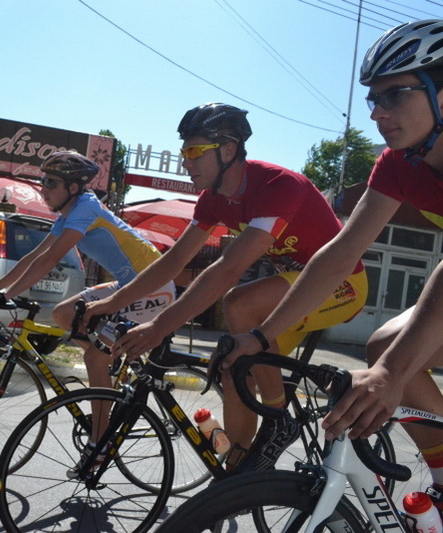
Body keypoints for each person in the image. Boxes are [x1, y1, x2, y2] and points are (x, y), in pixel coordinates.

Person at [223, 19, 443, 502]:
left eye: (394, 95)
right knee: (385, 344)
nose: (377, 113)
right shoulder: (398, 164)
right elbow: (340, 254)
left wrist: (392, 375)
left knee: (393, 359)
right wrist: (263, 335)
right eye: (373, 99)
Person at [83, 103, 367, 472]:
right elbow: (172, 262)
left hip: (342, 286)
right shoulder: (214, 199)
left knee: (239, 303)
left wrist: (159, 326)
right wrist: (112, 303)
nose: (185, 162)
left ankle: (278, 419)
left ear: (228, 150)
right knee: (234, 371)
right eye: (183, 152)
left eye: (194, 152)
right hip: (295, 294)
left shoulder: (278, 186)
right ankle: (237, 471)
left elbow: (229, 269)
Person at [0, 150, 177, 478]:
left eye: (50, 182)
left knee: (95, 357)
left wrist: (5, 296)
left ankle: (99, 443)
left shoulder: (86, 208)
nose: (43, 188)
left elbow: (50, 260)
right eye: (42, 181)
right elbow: (34, 256)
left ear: (74, 187)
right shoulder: (70, 212)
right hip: (131, 284)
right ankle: (111, 368)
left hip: (154, 288)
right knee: (64, 314)